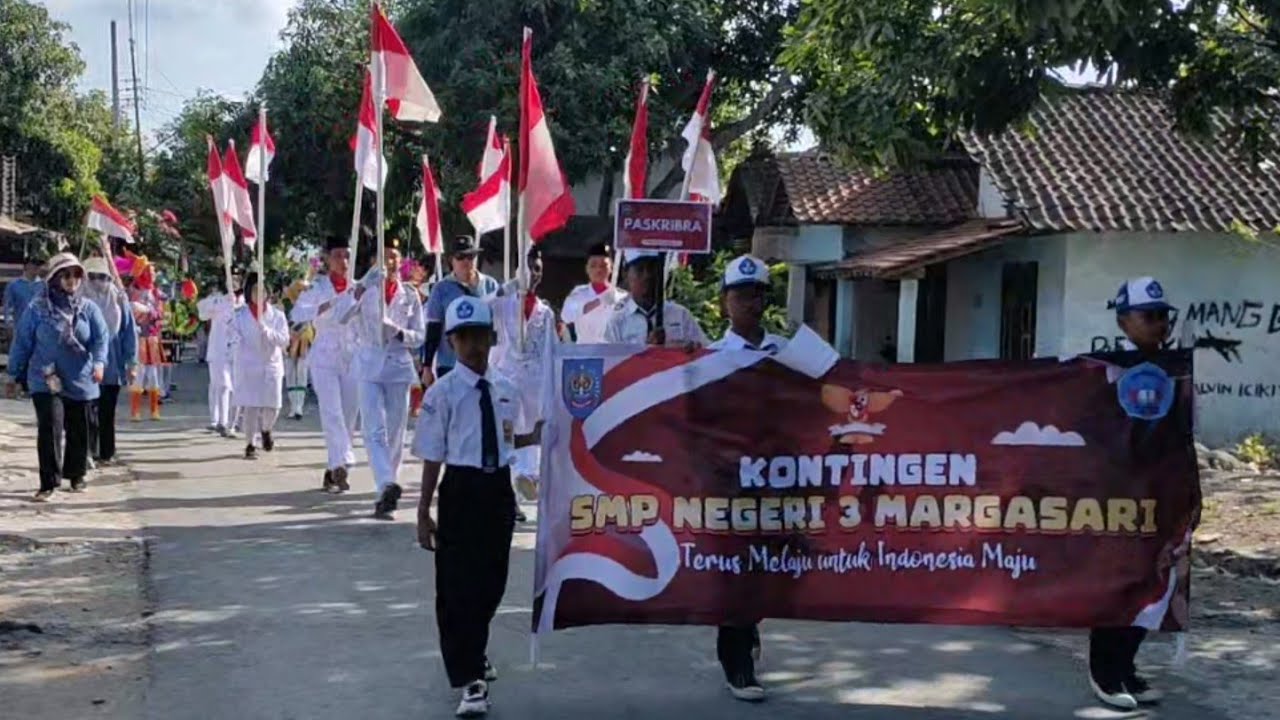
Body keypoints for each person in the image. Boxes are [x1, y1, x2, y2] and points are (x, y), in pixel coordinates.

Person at [413, 296, 537, 718]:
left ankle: (475, 649)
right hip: (460, 491)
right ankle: (470, 678)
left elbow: (508, 439)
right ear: (450, 341)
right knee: (456, 588)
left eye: (479, 336)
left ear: (492, 337)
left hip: (496, 490)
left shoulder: (505, 388)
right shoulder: (442, 394)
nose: (472, 346)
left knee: (492, 582)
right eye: (463, 337)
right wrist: (423, 510)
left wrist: (538, 436)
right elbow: (433, 454)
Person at [1087, 276, 1176, 711]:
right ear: (1124, 322)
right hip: (1117, 496)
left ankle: (1127, 666)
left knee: (1155, 584)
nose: (1159, 324)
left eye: (1163, 316)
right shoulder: (1100, 370)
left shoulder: (1178, 368)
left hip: (1163, 495)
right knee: (1115, 586)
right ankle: (1105, 672)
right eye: (1149, 316)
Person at [705, 254, 784, 702]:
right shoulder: (712, 359)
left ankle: (748, 631)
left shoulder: (787, 354)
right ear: (723, 303)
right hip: (729, 482)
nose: (750, 303)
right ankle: (737, 664)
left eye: (757, 294)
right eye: (741, 295)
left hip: (778, 479)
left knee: (763, 570)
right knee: (735, 570)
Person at [336, 237, 425, 518]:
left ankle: (389, 486)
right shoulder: (363, 289)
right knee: (374, 430)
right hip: (369, 366)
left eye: (395, 256)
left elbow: (419, 336)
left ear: (401, 261)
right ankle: (386, 483)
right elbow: (341, 315)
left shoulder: (410, 294)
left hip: (398, 367)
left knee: (397, 432)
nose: (390, 261)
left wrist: (398, 331)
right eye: (384, 256)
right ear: (375, 261)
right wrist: (362, 285)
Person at [8, 253, 108, 500]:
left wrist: (99, 362)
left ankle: (76, 474)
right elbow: (22, 342)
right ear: (54, 278)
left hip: (81, 377)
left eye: (76, 275)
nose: (72, 280)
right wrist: (13, 374)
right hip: (45, 378)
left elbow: (100, 338)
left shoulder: (88, 309)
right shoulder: (37, 309)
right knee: (50, 426)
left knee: (78, 428)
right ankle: (48, 482)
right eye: (66, 275)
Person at [489, 245, 558, 522]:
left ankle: (519, 491)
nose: (534, 273)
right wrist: (505, 289)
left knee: (529, 438)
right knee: (507, 441)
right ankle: (511, 495)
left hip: (534, 384)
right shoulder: (503, 302)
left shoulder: (545, 311)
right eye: (529, 267)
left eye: (538, 268)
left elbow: (551, 351)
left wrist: (552, 388)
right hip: (505, 380)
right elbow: (480, 308)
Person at [292, 237, 360, 494]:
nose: (343, 261)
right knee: (331, 411)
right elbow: (297, 316)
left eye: (347, 255)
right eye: (338, 255)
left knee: (349, 414)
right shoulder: (317, 288)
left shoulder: (358, 288)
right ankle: (342, 462)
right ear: (328, 259)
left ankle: (334, 467)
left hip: (352, 355)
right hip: (324, 355)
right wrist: (330, 304)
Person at [80, 256, 138, 466]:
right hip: (84, 365)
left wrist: (132, 363)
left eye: (102, 277)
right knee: (87, 411)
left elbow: (129, 333)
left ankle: (106, 452)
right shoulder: (77, 299)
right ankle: (88, 451)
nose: (97, 281)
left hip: (112, 365)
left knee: (106, 411)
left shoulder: (119, 299)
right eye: (92, 276)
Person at [422, 236, 501, 388]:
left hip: (483, 362)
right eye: (461, 257)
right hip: (449, 363)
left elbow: (498, 324)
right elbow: (434, 329)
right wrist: (427, 366)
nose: (466, 261)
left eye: (470, 256)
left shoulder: (490, 285)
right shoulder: (441, 289)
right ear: (452, 260)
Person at [231, 273, 289, 460]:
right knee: (251, 406)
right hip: (249, 365)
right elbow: (232, 337)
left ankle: (266, 429)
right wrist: (236, 341)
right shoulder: (240, 315)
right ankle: (250, 443)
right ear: (249, 293)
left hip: (271, 365)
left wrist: (268, 331)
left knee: (273, 406)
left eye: (263, 290)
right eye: (255, 290)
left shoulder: (277, 316)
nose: (259, 294)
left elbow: (284, 340)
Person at [603, 250, 707, 347]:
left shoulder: (681, 316)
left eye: (652, 268)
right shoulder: (617, 322)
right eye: (640, 270)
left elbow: (705, 354)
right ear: (626, 274)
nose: (647, 275)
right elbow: (609, 363)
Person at [197, 279, 243, 435]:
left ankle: (233, 421)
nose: (234, 284)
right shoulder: (217, 300)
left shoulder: (245, 302)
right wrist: (221, 301)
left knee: (235, 387)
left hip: (238, 350)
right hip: (218, 350)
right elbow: (202, 312)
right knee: (221, 386)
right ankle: (219, 421)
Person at [126, 253, 166, 421]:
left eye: (153, 271)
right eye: (150, 270)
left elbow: (161, 313)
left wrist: (150, 311)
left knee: (154, 375)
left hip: (152, 338)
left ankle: (154, 409)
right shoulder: (132, 291)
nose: (153, 273)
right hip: (137, 338)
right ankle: (135, 411)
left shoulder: (157, 293)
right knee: (139, 374)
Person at [561, 242, 624, 343]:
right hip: (585, 352)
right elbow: (566, 316)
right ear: (587, 268)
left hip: (612, 354)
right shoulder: (578, 294)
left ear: (611, 268)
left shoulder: (621, 297)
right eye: (593, 265)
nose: (598, 270)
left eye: (603, 265)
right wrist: (599, 301)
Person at [4, 255, 45, 398]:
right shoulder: (15, 285)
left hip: (39, 327)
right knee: (19, 355)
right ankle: (17, 383)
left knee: (35, 356)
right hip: (20, 325)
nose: (36, 268)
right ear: (26, 266)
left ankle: (30, 386)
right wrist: (8, 323)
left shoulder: (43, 286)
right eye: (34, 264)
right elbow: (8, 306)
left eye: (38, 265)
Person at [282, 275, 314, 420]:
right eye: (299, 290)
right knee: (290, 373)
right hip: (289, 341)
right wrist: (291, 332)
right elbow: (282, 322)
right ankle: (293, 406)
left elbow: (313, 323)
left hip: (305, 340)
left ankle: (298, 407)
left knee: (301, 372)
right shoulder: (285, 306)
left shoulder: (311, 306)